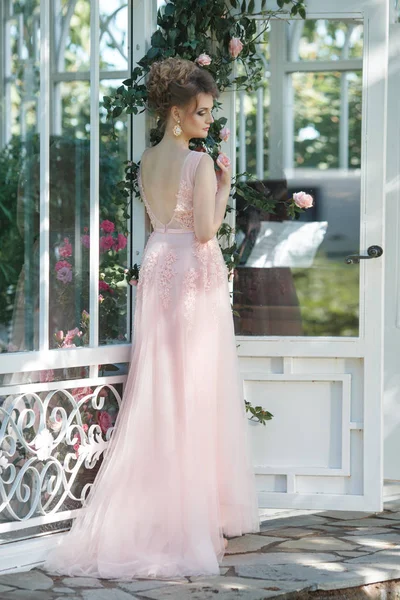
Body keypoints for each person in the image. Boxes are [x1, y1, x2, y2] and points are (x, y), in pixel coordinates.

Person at [43, 57, 260, 581]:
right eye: (201, 112)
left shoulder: (145, 162)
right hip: (192, 270)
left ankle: (161, 511)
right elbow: (206, 231)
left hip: (161, 263)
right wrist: (226, 185)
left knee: (162, 392)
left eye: (209, 112)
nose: (208, 121)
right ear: (176, 112)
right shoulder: (199, 163)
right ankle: (188, 520)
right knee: (196, 393)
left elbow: (158, 222)